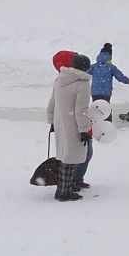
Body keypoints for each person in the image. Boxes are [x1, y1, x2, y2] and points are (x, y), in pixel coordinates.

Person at [47, 50, 94, 202]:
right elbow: (81, 110)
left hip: (61, 122)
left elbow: (52, 103)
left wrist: (52, 121)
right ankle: (64, 192)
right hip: (72, 124)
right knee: (71, 158)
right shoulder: (82, 83)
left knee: (64, 156)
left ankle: (62, 189)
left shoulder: (60, 79)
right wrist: (84, 130)